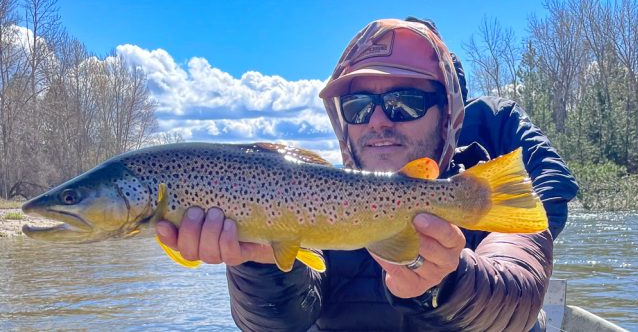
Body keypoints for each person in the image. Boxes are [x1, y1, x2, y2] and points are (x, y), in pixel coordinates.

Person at [156, 18, 578, 331]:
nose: (377, 120)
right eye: (358, 107)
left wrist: (447, 283)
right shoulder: (310, 202)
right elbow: (282, 325)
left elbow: (519, 296)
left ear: (448, 113)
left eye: (405, 101)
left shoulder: (483, 191)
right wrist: (260, 267)